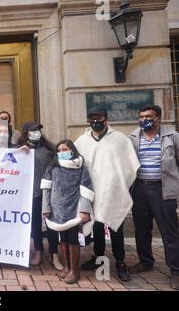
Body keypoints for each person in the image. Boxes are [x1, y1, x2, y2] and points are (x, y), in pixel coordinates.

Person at [75, 107, 139, 282]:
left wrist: (122, 186)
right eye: (92, 118)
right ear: (88, 120)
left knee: (114, 226)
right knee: (96, 226)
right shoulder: (82, 141)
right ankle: (98, 258)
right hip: (92, 192)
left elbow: (130, 165)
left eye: (99, 117)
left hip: (113, 191)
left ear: (106, 118)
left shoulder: (119, 140)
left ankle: (120, 261)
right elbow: (76, 164)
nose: (96, 121)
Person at [128, 105, 179, 290]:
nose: (144, 119)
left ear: (159, 118)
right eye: (141, 116)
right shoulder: (133, 137)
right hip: (139, 189)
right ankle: (145, 262)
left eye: (148, 116)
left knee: (169, 230)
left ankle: (175, 269)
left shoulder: (172, 137)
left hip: (162, 189)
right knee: (142, 228)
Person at [41, 139, 94, 284]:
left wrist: (85, 210)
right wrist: (45, 208)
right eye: (59, 150)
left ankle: (75, 270)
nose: (61, 153)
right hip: (57, 210)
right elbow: (46, 188)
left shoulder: (81, 168)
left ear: (72, 150)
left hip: (74, 209)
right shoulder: (53, 167)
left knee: (73, 238)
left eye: (65, 149)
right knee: (62, 237)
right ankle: (67, 265)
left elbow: (86, 190)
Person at [18, 121, 63, 270]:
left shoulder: (49, 148)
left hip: (50, 192)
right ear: (26, 133)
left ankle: (54, 254)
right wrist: (19, 153)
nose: (36, 132)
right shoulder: (21, 150)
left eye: (38, 130)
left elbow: (59, 165)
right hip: (32, 193)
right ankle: (38, 250)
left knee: (51, 224)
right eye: (33, 130)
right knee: (35, 224)